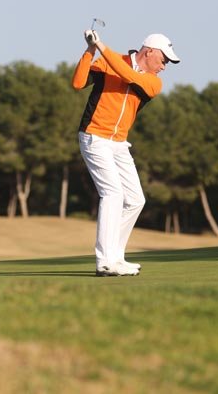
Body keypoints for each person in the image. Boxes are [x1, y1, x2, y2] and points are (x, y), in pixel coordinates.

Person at [72, 29, 180, 276]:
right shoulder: (109, 62)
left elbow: (128, 74)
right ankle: (104, 261)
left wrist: (101, 45)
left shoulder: (154, 82)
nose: (164, 66)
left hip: (119, 143)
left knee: (135, 200)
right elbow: (78, 83)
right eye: (164, 59)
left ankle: (116, 257)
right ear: (149, 52)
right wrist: (90, 50)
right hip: (94, 136)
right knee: (112, 193)